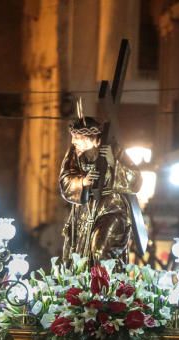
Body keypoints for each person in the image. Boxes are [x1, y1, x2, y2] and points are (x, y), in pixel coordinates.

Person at [60, 111, 143, 264]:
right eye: (73, 137)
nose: (73, 142)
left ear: (90, 138)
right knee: (81, 258)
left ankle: (105, 285)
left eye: (77, 138)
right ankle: (87, 285)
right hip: (85, 211)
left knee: (100, 250)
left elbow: (136, 180)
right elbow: (65, 180)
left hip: (112, 208)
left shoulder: (114, 149)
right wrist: (82, 182)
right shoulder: (74, 154)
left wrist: (114, 163)